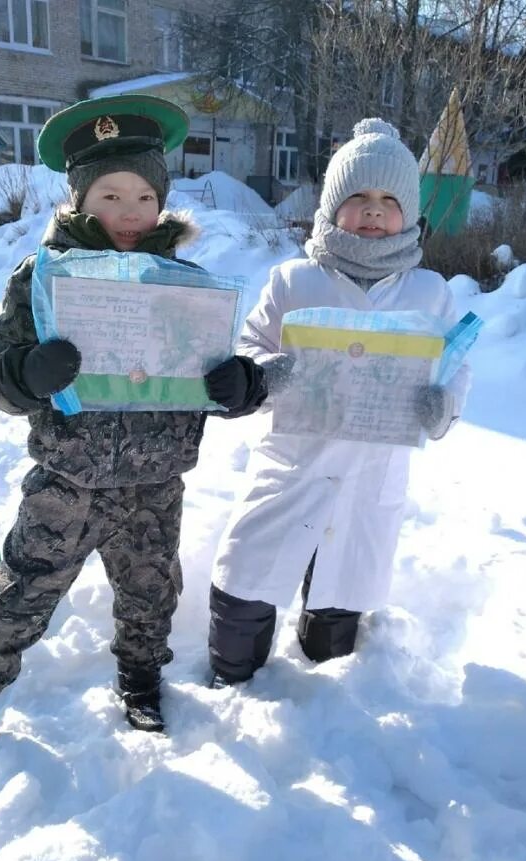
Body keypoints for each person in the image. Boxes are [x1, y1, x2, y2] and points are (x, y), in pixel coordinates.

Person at [0, 94, 267, 800]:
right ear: (80, 199)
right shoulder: (41, 278)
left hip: (156, 483)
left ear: (161, 202)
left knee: (150, 591)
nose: (129, 210)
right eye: (110, 194)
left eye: (142, 194)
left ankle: (140, 675)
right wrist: (29, 373)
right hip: (67, 484)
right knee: (19, 597)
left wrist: (241, 386)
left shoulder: (189, 286)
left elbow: (213, 375)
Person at [207, 118, 470, 687]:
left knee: (339, 590)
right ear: (331, 206)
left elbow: (454, 369)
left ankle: (326, 695)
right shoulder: (293, 280)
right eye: (358, 197)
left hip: (371, 474)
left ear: (409, 212)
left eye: (388, 199)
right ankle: (231, 679)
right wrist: (262, 376)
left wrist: (441, 404)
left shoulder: (429, 294)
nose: (373, 211)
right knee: (247, 577)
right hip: (292, 462)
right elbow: (251, 347)